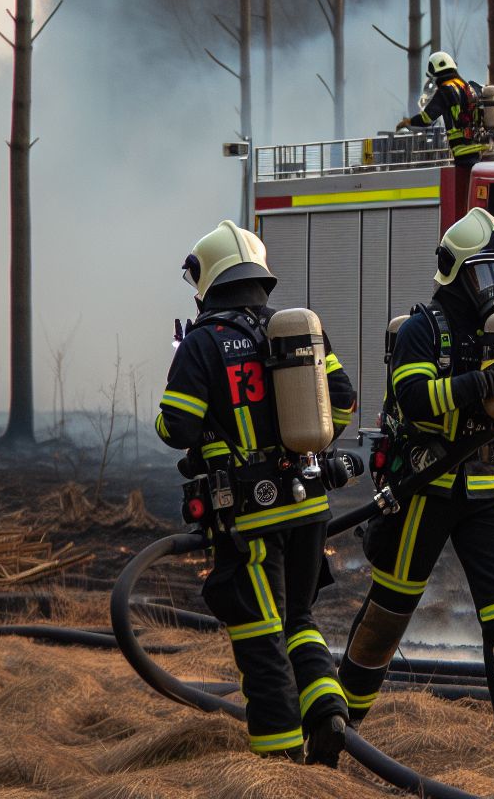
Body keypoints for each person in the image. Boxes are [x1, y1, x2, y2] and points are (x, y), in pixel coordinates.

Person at [338, 209, 494, 757]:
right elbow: (413, 399)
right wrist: (477, 383)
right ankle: (338, 725)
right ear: (454, 273)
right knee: (386, 618)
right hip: (424, 488)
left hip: (489, 489)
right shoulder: (422, 330)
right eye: (484, 274)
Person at [156, 219, 359, 765]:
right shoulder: (297, 331)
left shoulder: (203, 342)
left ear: (210, 281)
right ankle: (329, 715)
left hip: (250, 514)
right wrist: (303, 444)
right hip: (310, 502)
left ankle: (279, 766)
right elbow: (342, 400)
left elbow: (176, 426)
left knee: (260, 631)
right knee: (298, 618)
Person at [400, 52, 491, 171]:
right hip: (481, 148)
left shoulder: (445, 90)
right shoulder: (467, 86)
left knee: (463, 187)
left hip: (463, 151)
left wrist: (407, 122)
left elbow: (426, 119)